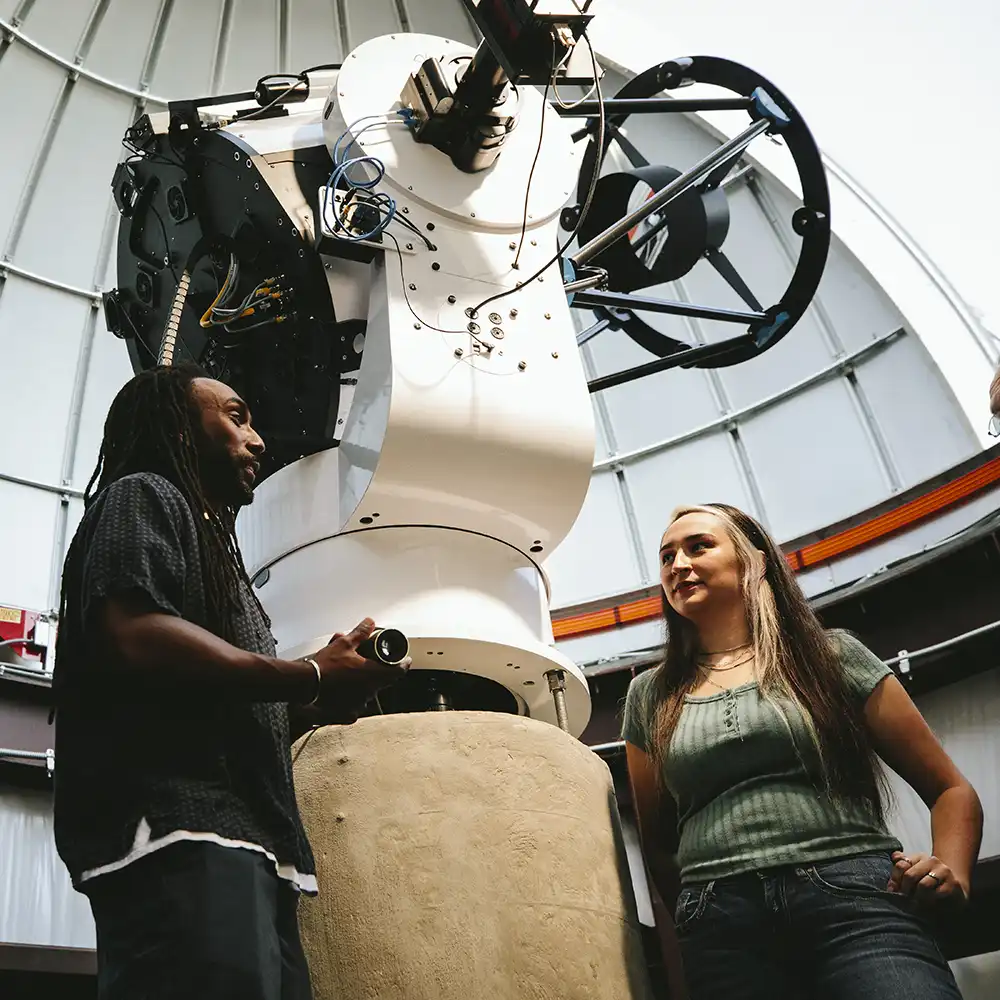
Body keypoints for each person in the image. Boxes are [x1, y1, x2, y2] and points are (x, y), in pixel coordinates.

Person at [52, 363, 408, 1000]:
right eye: (237, 417)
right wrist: (307, 675)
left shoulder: (222, 557)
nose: (260, 439)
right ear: (181, 431)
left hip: (248, 842)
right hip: (178, 830)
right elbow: (136, 634)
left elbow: (235, 711)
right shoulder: (144, 495)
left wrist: (325, 693)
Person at [622, 502, 982, 1000]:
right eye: (666, 557)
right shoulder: (649, 696)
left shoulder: (831, 657)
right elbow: (660, 847)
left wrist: (955, 872)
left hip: (858, 901)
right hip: (720, 931)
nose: (677, 565)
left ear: (755, 561)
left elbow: (951, 790)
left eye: (698, 546)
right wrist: (687, 943)